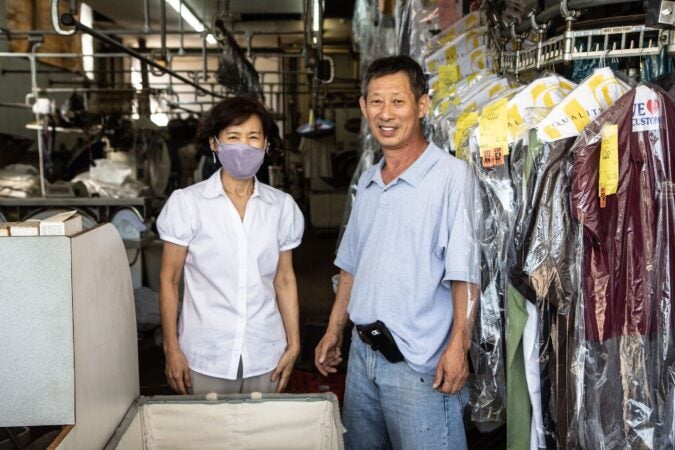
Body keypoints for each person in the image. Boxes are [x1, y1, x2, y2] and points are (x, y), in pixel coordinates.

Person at [314, 55, 480, 449]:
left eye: (398, 101)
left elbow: (466, 274)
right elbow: (351, 268)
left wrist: (460, 346)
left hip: (420, 368)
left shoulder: (452, 178)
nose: (385, 114)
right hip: (362, 361)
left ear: (422, 106)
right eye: (376, 102)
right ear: (363, 106)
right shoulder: (370, 181)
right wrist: (334, 330)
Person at [157, 96, 304, 396]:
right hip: (206, 353)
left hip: (266, 353)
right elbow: (169, 280)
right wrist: (172, 349)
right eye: (233, 137)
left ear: (266, 145)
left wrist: (294, 342)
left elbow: (284, 279)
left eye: (253, 137)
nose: (243, 146)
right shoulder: (187, 204)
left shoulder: (281, 207)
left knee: (263, 436)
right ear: (214, 143)